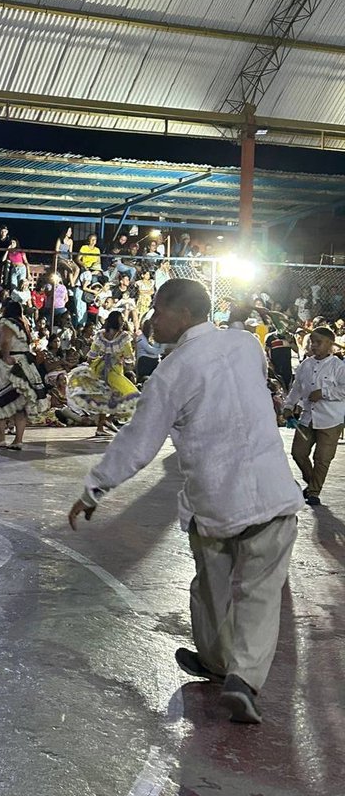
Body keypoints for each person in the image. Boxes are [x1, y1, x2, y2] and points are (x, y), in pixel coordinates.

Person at [68, 279, 304, 726]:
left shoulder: (171, 373)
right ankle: (242, 679)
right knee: (260, 595)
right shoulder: (245, 347)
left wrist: (94, 488)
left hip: (215, 502)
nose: (151, 319)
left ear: (186, 313)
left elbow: (138, 442)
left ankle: (219, 663)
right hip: (273, 494)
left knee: (211, 590)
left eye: (158, 310)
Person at [282, 326, 345, 506]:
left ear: (330, 344)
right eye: (312, 342)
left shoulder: (338, 366)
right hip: (307, 417)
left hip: (331, 419)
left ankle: (314, 492)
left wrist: (323, 393)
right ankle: (312, 485)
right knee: (298, 453)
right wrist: (288, 405)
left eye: (319, 342)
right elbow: (297, 388)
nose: (314, 345)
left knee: (322, 458)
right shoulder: (306, 364)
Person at [0, 300, 49, 450]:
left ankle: (1, 438)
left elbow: (5, 341)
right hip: (25, 362)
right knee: (20, 404)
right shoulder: (23, 323)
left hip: (10, 363)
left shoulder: (6, 322)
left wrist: (4, 356)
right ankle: (18, 440)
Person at [66, 311, 139, 438]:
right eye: (122, 319)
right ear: (118, 321)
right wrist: (124, 357)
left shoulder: (100, 335)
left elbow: (91, 356)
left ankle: (101, 427)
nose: (123, 321)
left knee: (105, 398)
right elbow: (129, 358)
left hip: (99, 369)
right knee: (130, 396)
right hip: (114, 371)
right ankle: (109, 419)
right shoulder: (123, 337)